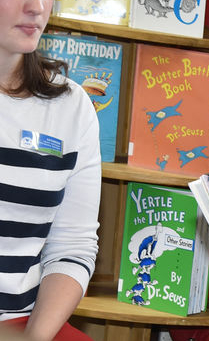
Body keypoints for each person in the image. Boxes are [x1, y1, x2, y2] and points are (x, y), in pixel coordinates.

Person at [1, 0, 101, 340]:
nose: (37, 7)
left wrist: (34, 338)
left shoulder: (72, 106)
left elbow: (73, 245)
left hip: (24, 325)